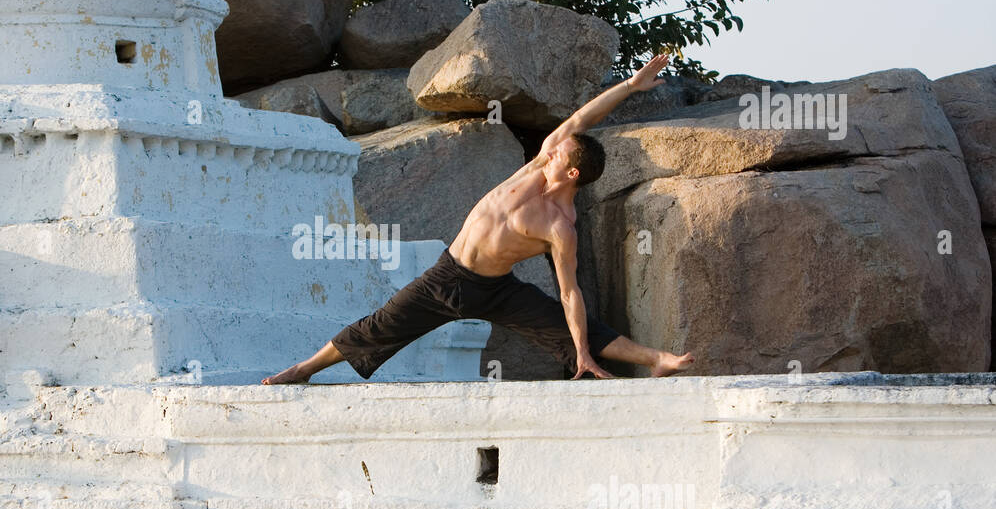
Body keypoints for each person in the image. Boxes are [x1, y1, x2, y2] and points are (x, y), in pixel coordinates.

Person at [262, 53, 694, 385]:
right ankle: (303, 369)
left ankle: (656, 359)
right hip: (448, 277)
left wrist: (582, 350)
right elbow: (583, 118)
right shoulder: (538, 166)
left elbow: (570, 293)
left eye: (559, 154)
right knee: (379, 326)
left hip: (497, 290)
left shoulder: (560, 225)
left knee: (569, 327)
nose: (552, 148)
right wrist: (631, 85)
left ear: (572, 173)